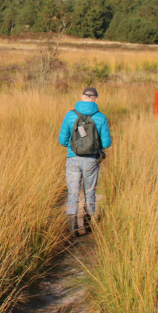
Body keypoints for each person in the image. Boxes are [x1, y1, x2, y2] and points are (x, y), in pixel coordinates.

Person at [58, 86, 112, 237]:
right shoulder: (100, 117)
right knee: (90, 192)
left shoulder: (70, 115)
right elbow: (106, 144)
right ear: (96, 99)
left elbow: (62, 140)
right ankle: (88, 226)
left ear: (81, 96)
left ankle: (72, 227)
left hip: (73, 159)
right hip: (91, 160)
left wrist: (72, 145)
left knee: (73, 193)